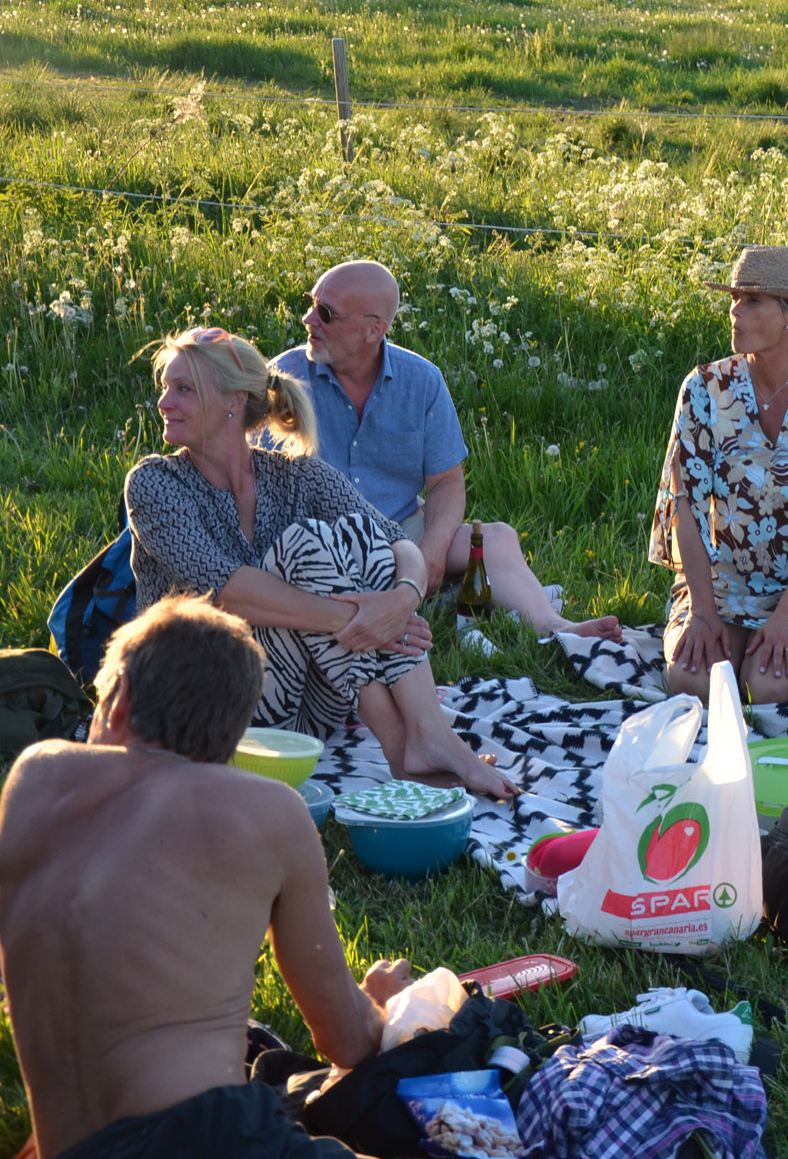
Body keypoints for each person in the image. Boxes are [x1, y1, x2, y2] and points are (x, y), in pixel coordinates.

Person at [0, 597, 415, 1159]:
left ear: (117, 698)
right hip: (210, 1135)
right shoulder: (268, 810)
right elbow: (344, 1040)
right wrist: (382, 1007)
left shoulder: (33, 779)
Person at [123, 325, 515, 798]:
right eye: (166, 388)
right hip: (203, 703)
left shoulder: (297, 475)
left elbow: (396, 543)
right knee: (304, 545)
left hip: (308, 710)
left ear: (233, 401)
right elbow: (220, 588)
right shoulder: (155, 483)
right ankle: (405, 746)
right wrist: (361, 620)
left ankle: (429, 735)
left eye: (182, 389)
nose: (164, 402)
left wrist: (400, 600)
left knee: (358, 538)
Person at [270, 259, 622, 641]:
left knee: (498, 538)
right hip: (319, 537)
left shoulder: (421, 380)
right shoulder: (283, 379)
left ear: (375, 329)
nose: (308, 319)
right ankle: (440, 596)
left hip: (402, 528)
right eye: (311, 303)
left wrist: (432, 552)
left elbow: (446, 483)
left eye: (326, 312)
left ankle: (556, 627)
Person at [649, 245, 788, 704]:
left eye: (751, 301)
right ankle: (733, 640)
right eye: (734, 297)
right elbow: (684, 505)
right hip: (720, 581)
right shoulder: (704, 388)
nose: (734, 310)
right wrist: (704, 613)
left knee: (764, 688)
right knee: (692, 681)